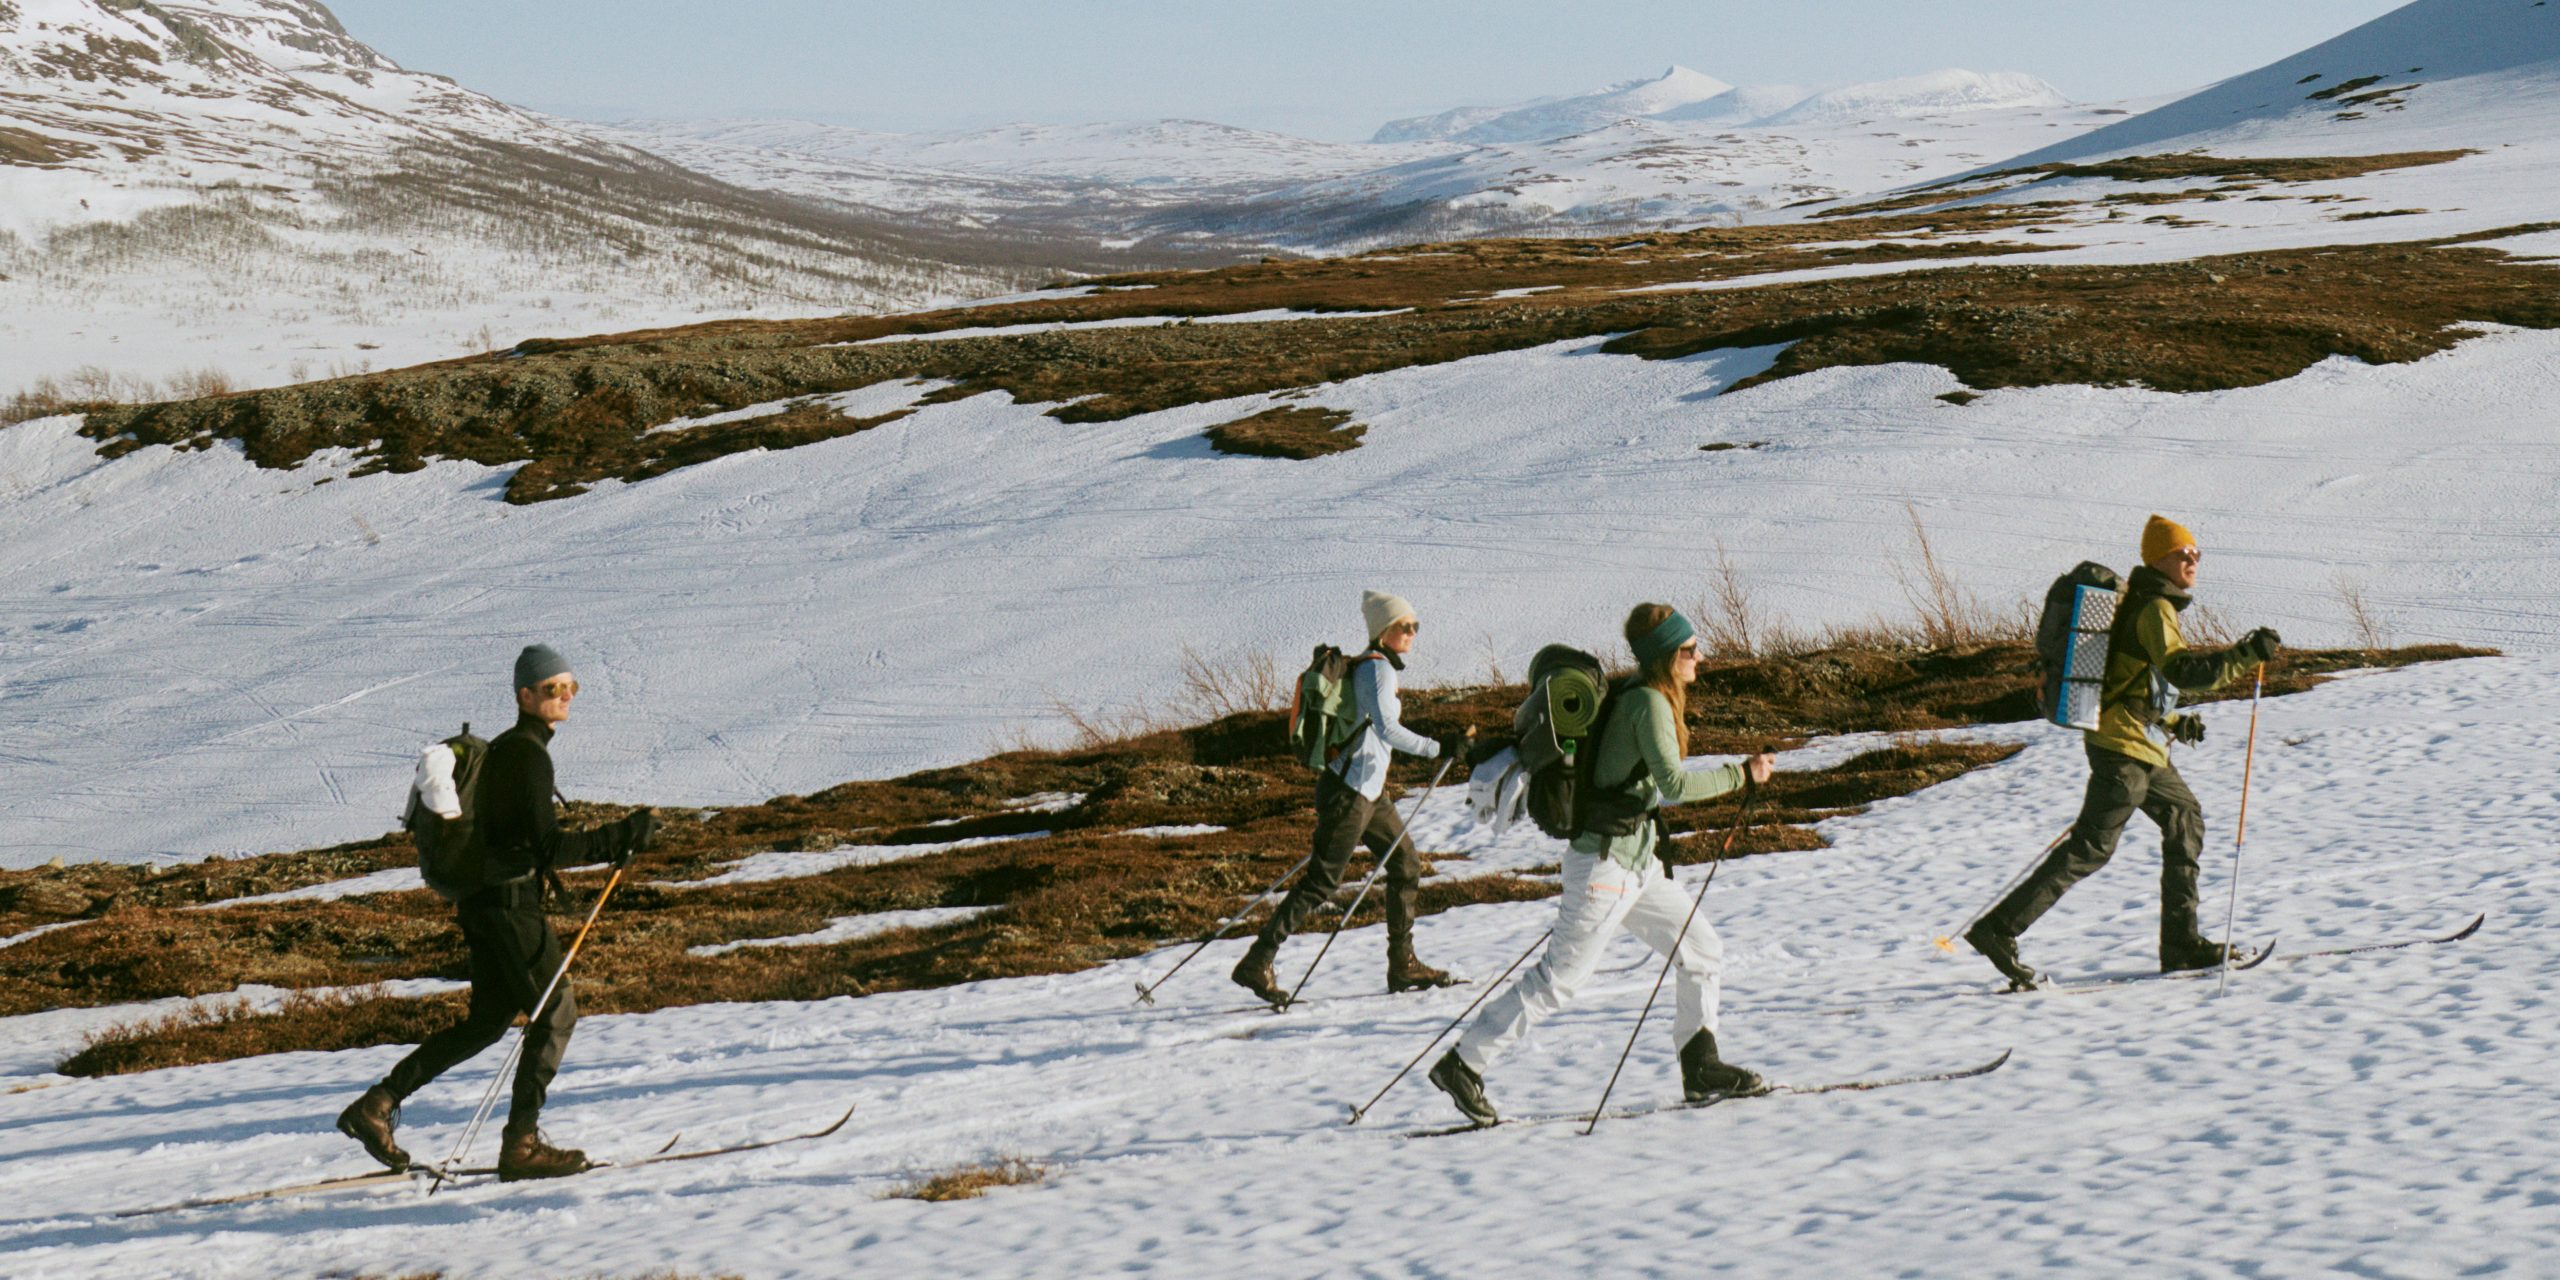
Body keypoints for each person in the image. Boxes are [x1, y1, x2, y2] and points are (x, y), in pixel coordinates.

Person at [1428, 604, 1776, 1127]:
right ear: (1664, 657)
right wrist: (1742, 774)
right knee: (1559, 981)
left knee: (1703, 951)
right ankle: (1464, 1064)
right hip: (1605, 866)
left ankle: (1701, 1066)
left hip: (1635, 865)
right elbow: (1674, 787)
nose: (1699, 657)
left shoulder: (1642, 694)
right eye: (1688, 650)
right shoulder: (1648, 705)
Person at [336, 645, 655, 1181]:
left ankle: (377, 1104)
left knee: (486, 1023)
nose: (565, 696)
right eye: (553, 688)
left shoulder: (514, 751)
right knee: (556, 1012)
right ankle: (521, 1146)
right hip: (509, 906)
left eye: (570, 686)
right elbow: (548, 847)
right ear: (524, 696)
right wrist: (622, 835)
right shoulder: (526, 754)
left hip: (484, 903)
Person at [1966, 515, 2281, 989]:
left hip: (2141, 745)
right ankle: (1997, 930)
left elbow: (2134, 680)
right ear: (2159, 559)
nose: (2193, 561)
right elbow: (2183, 671)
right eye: (2183, 554)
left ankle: (2181, 944)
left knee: (2185, 819)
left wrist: (2175, 720)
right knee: (2091, 847)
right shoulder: (2153, 608)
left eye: (2196, 553)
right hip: (2121, 749)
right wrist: (2244, 654)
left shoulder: (2152, 605)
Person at [1232, 591, 1469, 1005]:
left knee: (1405, 863)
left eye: (1415, 625)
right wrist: (1440, 747)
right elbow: (1387, 728)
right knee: (1322, 881)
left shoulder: (1371, 668)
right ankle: (1258, 959)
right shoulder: (1377, 671)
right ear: (1383, 632)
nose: (1412, 633)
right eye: (1404, 626)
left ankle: (1403, 964)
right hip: (1351, 793)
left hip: (1369, 794)